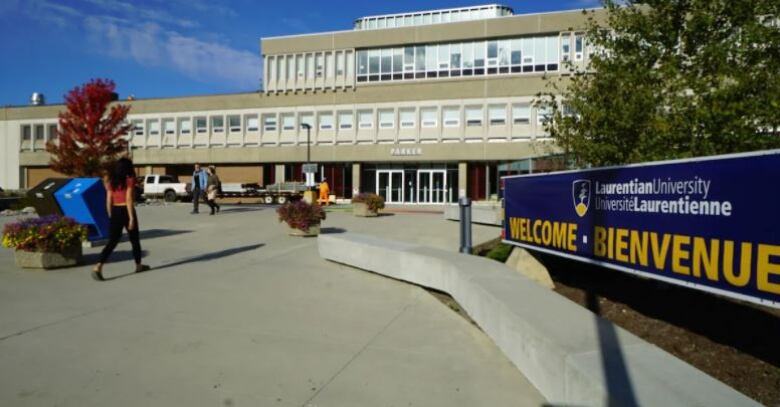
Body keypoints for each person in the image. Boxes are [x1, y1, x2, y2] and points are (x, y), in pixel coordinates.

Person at [92, 157, 150, 281]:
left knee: (112, 241)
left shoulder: (110, 181)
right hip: (126, 210)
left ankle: (98, 266)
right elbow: (129, 199)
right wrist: (131, 218)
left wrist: (110, 215)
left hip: (115, 210)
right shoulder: (129, 179)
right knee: (134, 239)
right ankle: (138, 265)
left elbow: (108, 200)